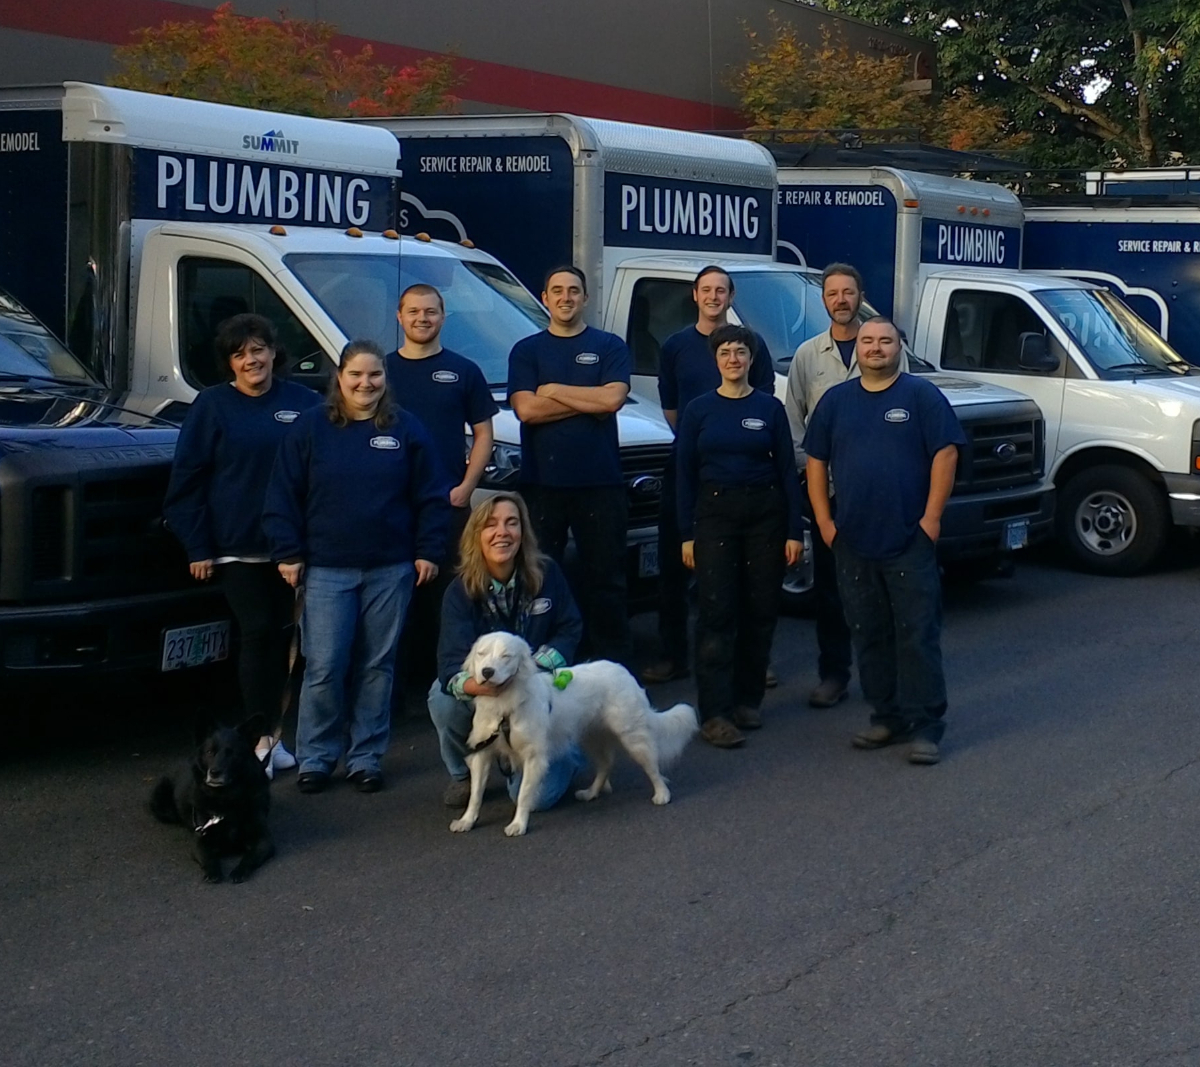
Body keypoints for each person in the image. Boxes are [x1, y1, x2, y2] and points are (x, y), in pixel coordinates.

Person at [264, 340, 451, 794]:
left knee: (377, 666)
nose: (365, 384)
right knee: (325, 665)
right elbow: (282, 494)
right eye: (356, 376)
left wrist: (428, 549)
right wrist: (287, 552)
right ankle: (317, 757)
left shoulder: (405, 428)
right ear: (340, 377)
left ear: (386, 380)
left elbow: (431, 495)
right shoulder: (312, 427)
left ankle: (366, 757)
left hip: (391, 568)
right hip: (326, 569)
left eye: (375, 376)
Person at [164, 313, 321, 778]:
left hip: (292, 548)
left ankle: (275, 737)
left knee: (287, 638)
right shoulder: (211, 406)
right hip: (236, 548)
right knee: (257, 635)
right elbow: (186, 481)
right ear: (229, 363)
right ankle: (259, 744)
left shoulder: (305, 402)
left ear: (274, 352)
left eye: (258, 349)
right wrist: (197, 546)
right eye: (239, 353)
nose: (250, 360)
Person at [803, 317, 965, 766]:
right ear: (857, 349)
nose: (876, 348)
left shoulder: (921, 396)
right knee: (869, 632)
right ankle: (886, 716)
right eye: (868, 341)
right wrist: (824, 521)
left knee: (917, 634)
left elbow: (946, 452)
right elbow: (816, 460)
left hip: (910, 538)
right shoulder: (836, 401)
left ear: (899, 348)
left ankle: (927, 725)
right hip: (852, 539)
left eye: (885, 341)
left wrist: (931, 519)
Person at [643, 265, 777, 686]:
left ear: (731, 296)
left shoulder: (751, 345)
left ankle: (747, 660)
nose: (714, 297)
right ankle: (673, 655)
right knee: (674, 564)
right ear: (695, 296)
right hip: (689, 469)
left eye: (721, 290)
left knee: (737, 573)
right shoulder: (676, 346)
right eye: (706, 290)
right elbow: (670, 408)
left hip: (736, 476)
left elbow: (762, 401)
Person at [677, 325, 804, 749]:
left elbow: (788, 471)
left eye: (741, 352)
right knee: (717, 613)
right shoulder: (699, 410)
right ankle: (714, 712)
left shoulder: (769, 409)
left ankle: (748, 700)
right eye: (726, 352)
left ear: (752, 359)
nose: (733, 359)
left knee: (761, 609)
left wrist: (793, 531)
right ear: (716, 360)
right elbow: (684, 476)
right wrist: (686, 535)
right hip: (714, 518)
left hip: (765, 517)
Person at [785, 263, 904, 709]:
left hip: (883, 494)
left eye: (848, 292)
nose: (841, 300)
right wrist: (808, 472)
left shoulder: (885, 347)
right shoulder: (807, 356)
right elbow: (794, 420)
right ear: (824, 300)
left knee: (886, 587)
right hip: (830, 493)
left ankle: (888, 679)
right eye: (833, 293)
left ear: (860, 296)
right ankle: (833, 674)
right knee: (833, 591)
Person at [507, 265, 633, 669]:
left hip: (600, 483)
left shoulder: (609, 345)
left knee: (607, 580)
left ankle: (613, 666)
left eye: (574, 290)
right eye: (557, 290)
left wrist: (555, 390)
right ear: (544, 298)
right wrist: (587, 400)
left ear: (585, 298)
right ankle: (545, 663)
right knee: (541, 577)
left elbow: (612, 401)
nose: (566, 297)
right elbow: (526, 410)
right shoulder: (526, 350)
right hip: (543, 485)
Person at [428, 492, 584, 808]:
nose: (503, 532)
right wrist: (485, 685)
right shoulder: (459, 591)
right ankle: (466, 774)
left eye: (512, 523)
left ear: (522, 532)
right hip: (488, 692)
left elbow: (569, 629)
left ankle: (563, 751)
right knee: (441, 698)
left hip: (538, 692)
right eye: (491, 525)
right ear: (477, 535)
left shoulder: (548, 573)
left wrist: (528, 673)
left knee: (535, 800)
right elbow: (450, 664)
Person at [387, 283, 498, 687]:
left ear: (443, 317)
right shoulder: (381, 372)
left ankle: (446, 687)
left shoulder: (464, 371)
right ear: (399, 317)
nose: (422, 318)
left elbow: (484, 432)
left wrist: (468, 486)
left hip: (448, 507)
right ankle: (398, 693)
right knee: (395, 604)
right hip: (393, 510)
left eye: (430, 311)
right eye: (414, 311)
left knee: (448, 602)